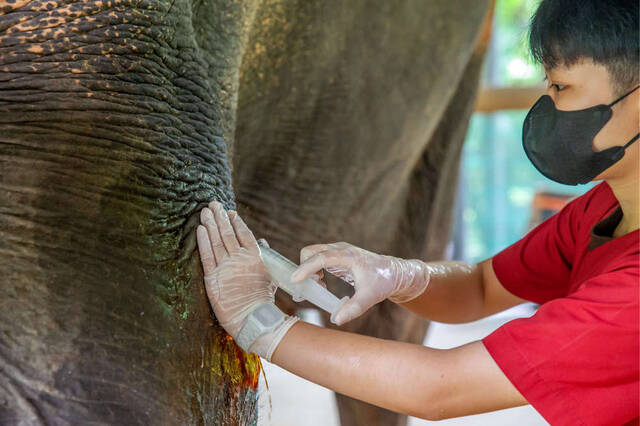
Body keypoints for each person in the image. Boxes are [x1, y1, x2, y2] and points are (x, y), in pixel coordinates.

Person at [195, 0, 639, 423]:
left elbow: (438, 388)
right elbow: (481, 288)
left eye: (561, 87)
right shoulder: (601, 210)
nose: (548, 108)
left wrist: (261, 323)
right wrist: (397, 275)